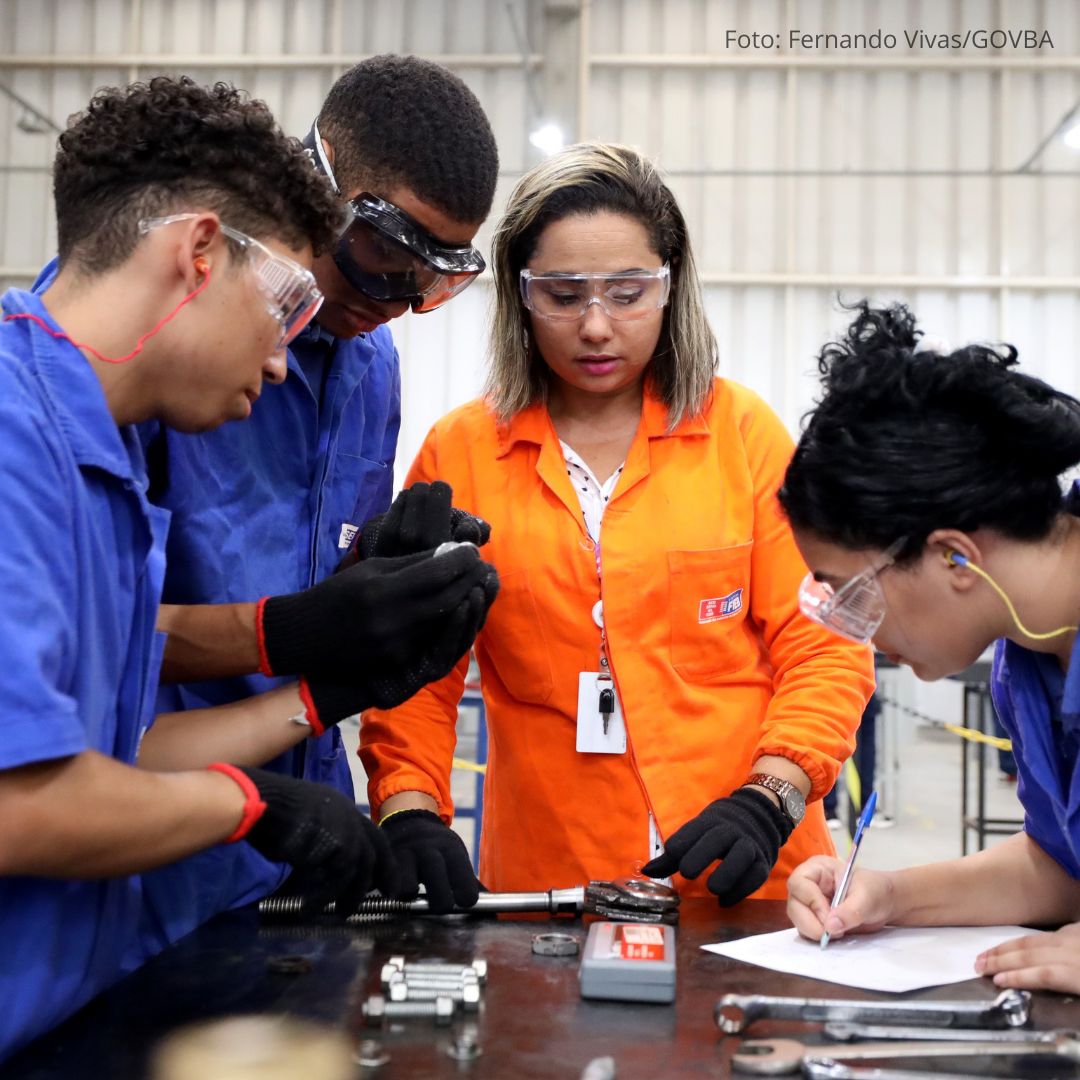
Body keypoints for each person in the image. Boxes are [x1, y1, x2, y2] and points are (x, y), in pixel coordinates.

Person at [0, 75, 464, 1061]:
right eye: (286, 301)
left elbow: (111, 745)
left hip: (99, 967)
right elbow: (19, 803)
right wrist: (250, 799)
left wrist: (328, 688)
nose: (287, 355)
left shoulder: (109, 457)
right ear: (199, 253)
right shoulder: (17, 440)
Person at [359, 142, 875, 908]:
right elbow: (415, 668)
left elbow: (824, 643)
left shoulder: (742, 436)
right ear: (520, 296)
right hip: (553, 882)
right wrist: (406, 809)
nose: (596, 326)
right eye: (563, 296)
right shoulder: (462, 453)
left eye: (628, 292)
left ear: (670, 288)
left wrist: (773, 794)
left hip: (749, 874)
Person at [779, 301, 1080, 993]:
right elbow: (1063, 870)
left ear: (954, 559)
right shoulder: (1027, 656)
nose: (859, 628)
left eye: (851, 593)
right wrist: (888, 897)